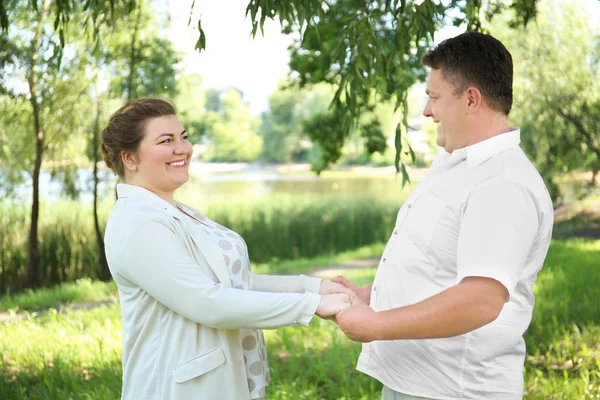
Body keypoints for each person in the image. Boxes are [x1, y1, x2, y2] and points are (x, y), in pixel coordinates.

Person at [333, 32, 554, 400]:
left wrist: (376, 325)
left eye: (434, 97)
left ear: (471, 99)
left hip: (454, 390)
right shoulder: (457, 165)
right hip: (414, 383)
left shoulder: (501, 184)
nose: (426, 111)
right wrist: (373, 296)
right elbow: (433, 264)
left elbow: (481, 299)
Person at [101, 98, 352, 400]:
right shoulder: (138, 223)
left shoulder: (172, 210)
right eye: (166, 141)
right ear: (130, 158)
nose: (183, 148)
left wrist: (314, 287)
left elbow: (232, 284)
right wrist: (310, 305)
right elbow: (207, 302)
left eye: (184, 137)